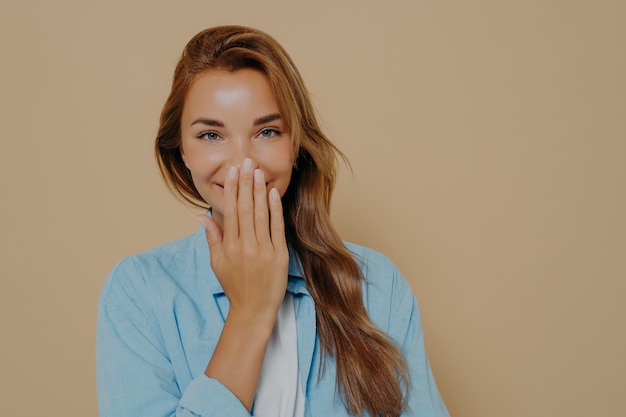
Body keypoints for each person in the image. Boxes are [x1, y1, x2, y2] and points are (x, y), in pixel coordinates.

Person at [96, 25, 449, 417]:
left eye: (267, 131)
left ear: (295, 145)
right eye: (211, 135)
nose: (243, 162)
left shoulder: (377, 286)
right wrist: (250, 311)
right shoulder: (138, 293)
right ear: (182, 150)